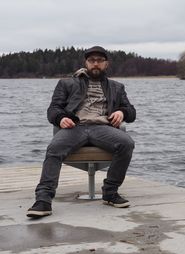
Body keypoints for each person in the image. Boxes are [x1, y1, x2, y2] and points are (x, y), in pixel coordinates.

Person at [27, 46, 136, 218]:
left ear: (106, 64)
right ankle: (43, 199)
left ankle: (110, 192)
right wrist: (61, 118)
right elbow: (53, 109)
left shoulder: (117, 87)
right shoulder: (67, 83)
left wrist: (122, 112)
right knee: (54, 148)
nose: (95, 64)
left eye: (100, 61)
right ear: (86, 63)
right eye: (92, 60)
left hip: (102, 128)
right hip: (74, 127)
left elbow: (131, 111)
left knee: (127, 143)